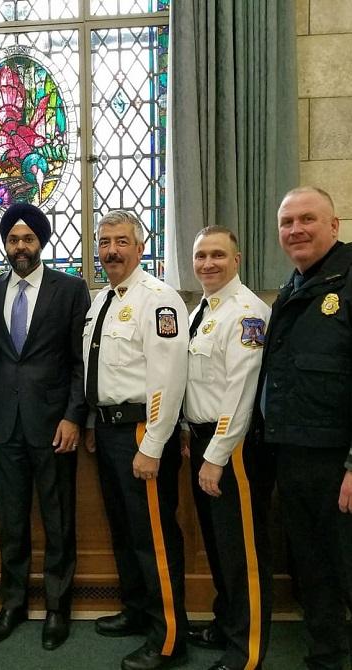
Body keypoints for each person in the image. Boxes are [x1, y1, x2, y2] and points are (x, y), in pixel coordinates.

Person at [0, 203, 90, 651]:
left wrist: (73, 415)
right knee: (11, 521)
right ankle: (13, 604)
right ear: (4, 244)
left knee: (58, 519)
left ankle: (57, 608)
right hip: (5, 427)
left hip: (53, 426)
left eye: (28, 239)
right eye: (12, 239)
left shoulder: (70, 289)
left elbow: (82, 360)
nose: (20, 247)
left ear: (42, 242)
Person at [83, 210, 188, 670]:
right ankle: (139, 611)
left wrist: (154, 444)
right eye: (105, 242)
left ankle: (169, 638)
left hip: (142, 430)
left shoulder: (158, 300)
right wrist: (91, 423)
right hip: (108, 431)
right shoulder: (101, 300)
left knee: (154, 538)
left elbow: (169, 377)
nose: (111, 251)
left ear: (141, 248)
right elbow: (100, 369)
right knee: (125, 533)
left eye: (121, 242)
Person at [258, 186, 352, 670]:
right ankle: (327, 654)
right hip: (293, 454)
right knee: (311, 565)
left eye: (307, 219)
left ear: (333, 226)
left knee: (344, 565)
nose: (296, 229)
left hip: (338, 460)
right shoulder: (292, 288)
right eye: (287, 222)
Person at [182, 226, 272, 670]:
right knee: (220, 548)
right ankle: (227, 622)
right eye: (200, 256)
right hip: (203, 441)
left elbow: (240, 391)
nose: (207, 264)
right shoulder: (204, 307)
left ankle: (247, 651)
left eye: (217, 255)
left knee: (242, 555)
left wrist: (216, 457)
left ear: (238, 260)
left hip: (231, 448)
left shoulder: (245, 313)